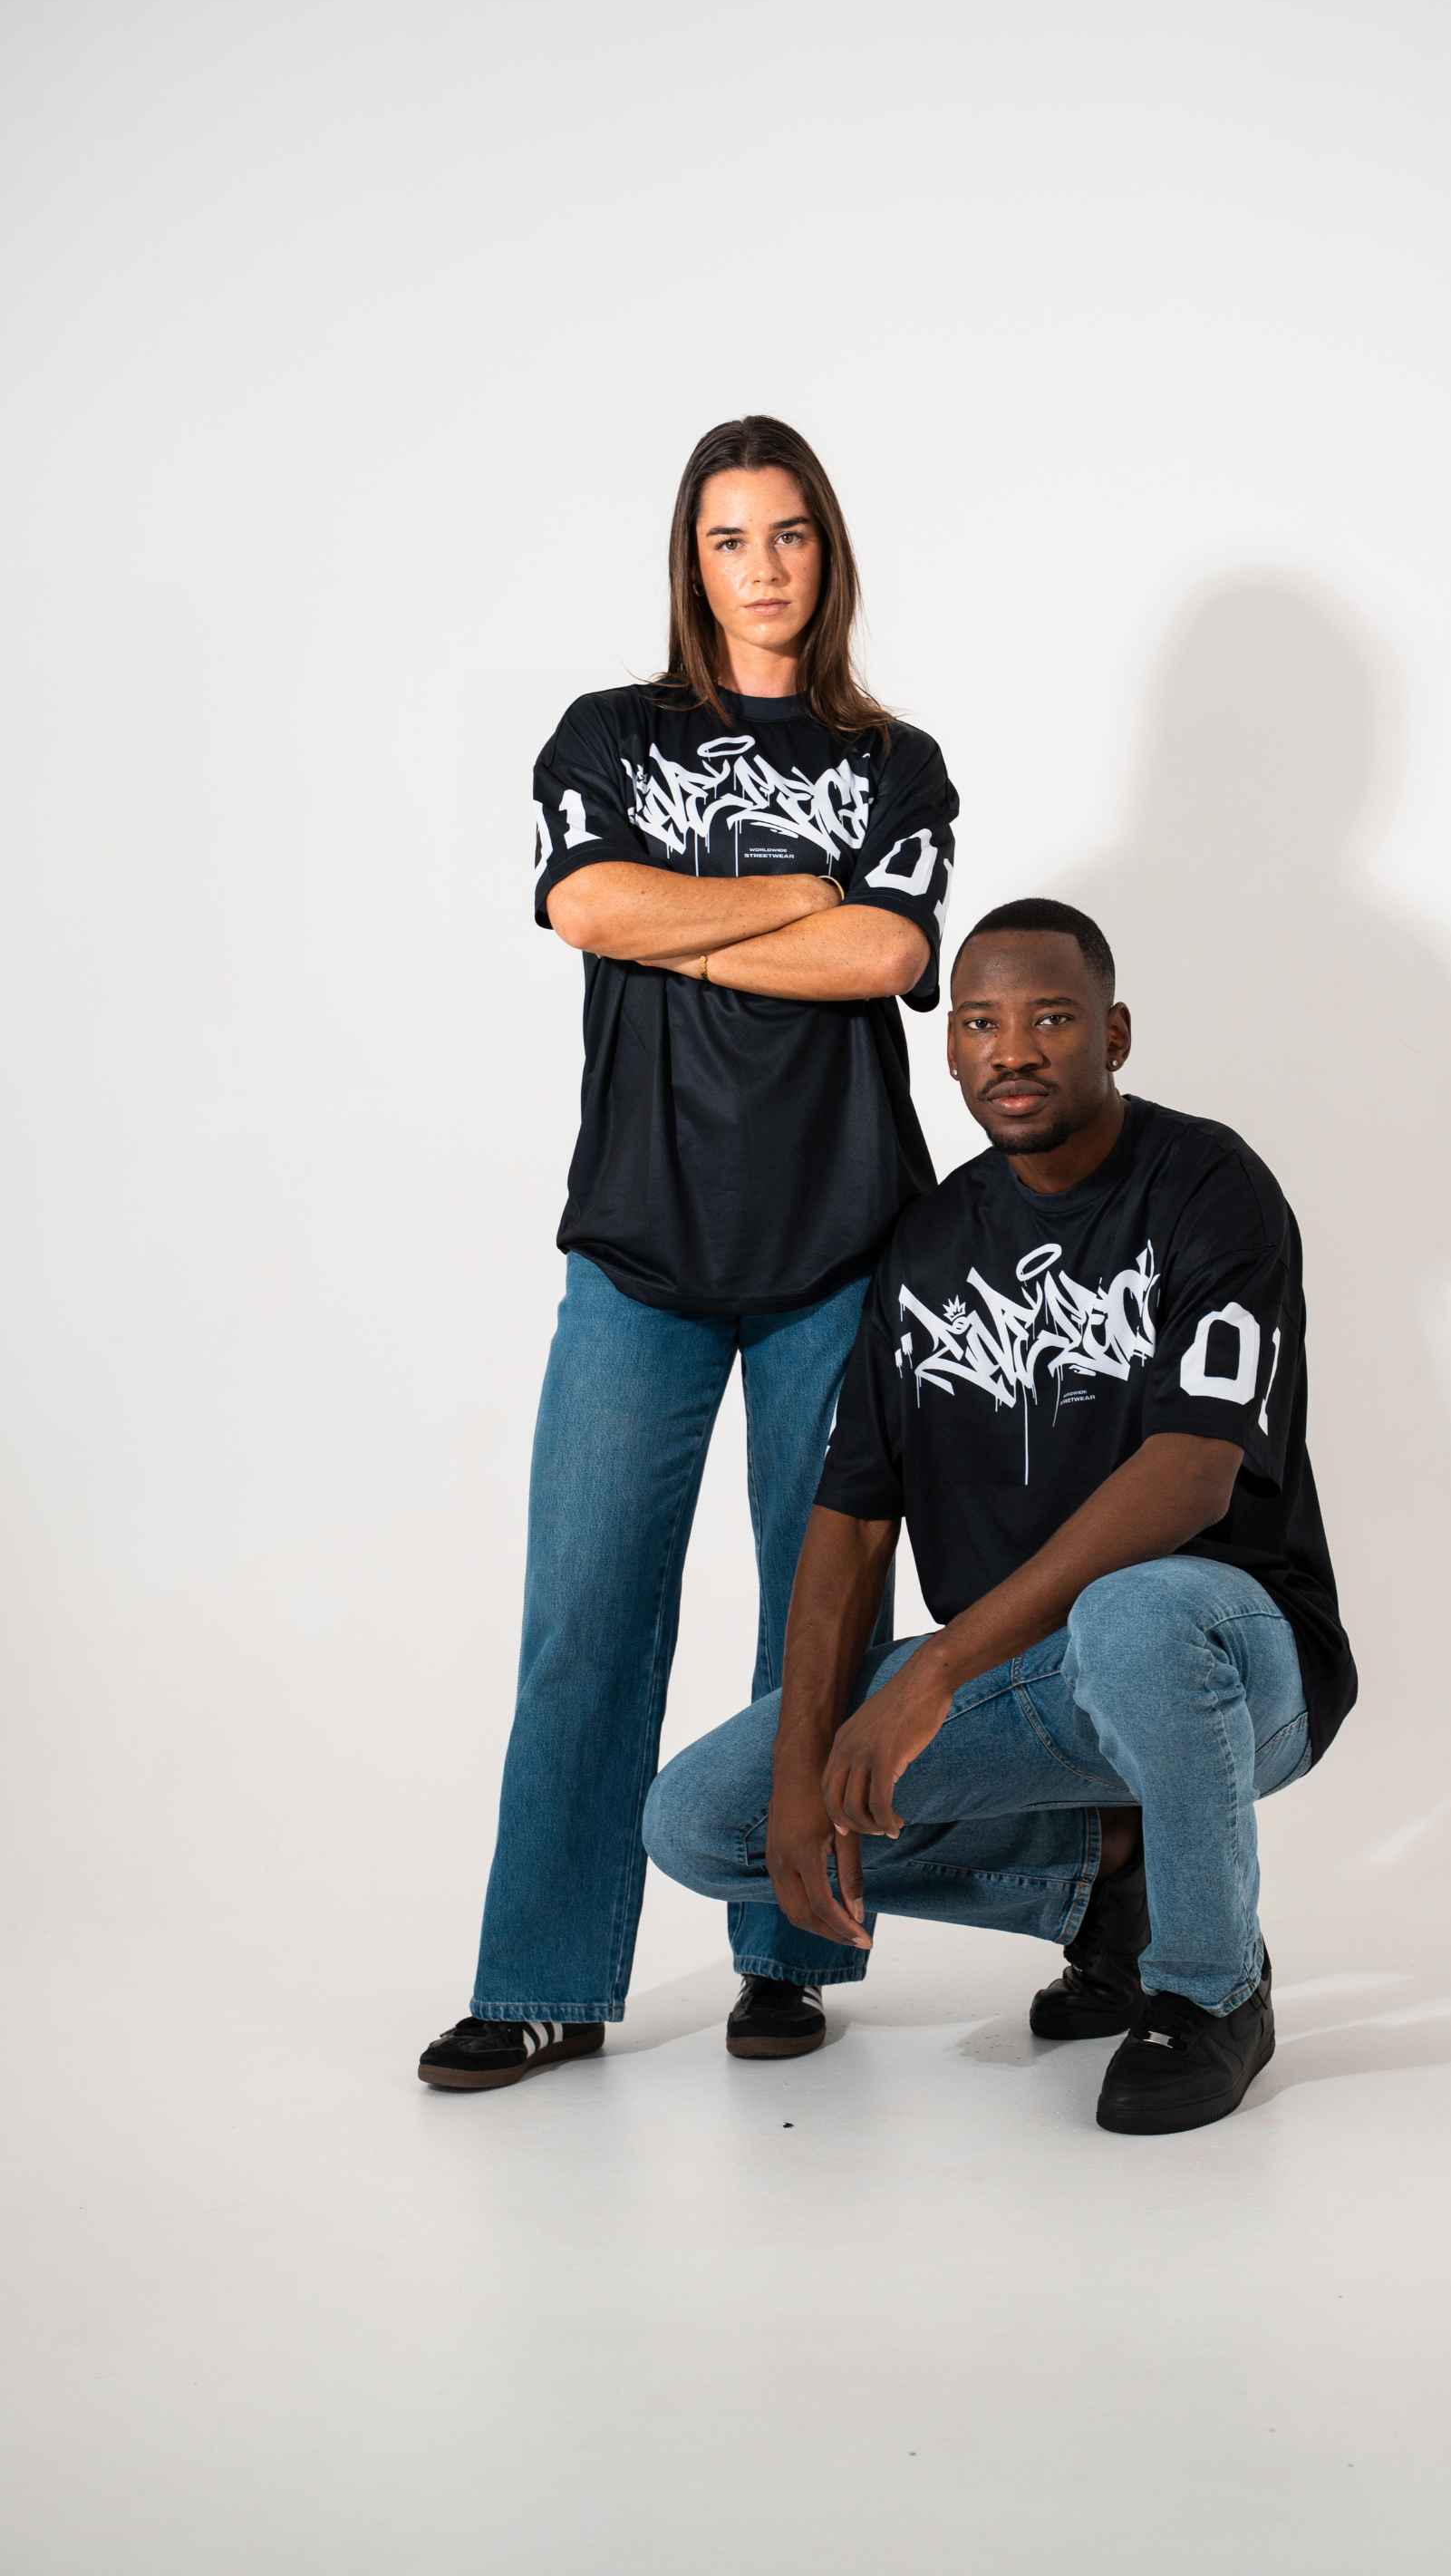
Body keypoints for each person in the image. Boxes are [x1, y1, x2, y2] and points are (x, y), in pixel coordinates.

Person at [418, 418, 958, 2089]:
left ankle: (790, 1948)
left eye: (790, 534)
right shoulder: (607, 732)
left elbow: (887, 951)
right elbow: (586, 908)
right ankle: (542, 1981)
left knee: (817, 1624)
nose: (765, 566)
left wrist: (708, 920)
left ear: (829, 552)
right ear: (692, 561)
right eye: (731, 539)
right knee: (584, 1621)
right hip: (639, 1250)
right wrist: (790, 902)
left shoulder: (900, 762)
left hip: (842, 1250)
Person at [643, 898, 1357, 2134]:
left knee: (1134, 1612)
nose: (1011, 1050)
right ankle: (1109, 1893)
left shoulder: (1209, 1186)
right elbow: (852, 1524)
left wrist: (935, 1677)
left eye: (1050, 1019)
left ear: (1115, 1034)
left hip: (1232, 1658)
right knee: (709, 1822)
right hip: (1035, 1686)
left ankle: (1212, 1988)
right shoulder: (926, 1245)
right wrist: (813, 1755)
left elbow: (1190, 1474)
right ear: (954, 1049)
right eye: (980, 1023)